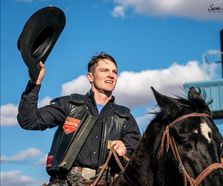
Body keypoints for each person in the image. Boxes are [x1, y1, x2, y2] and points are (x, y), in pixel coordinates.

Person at [17, 52, 141, 186]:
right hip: (65, 182)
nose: (111, 75)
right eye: (104, 70)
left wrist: (125, 152)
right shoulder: (70, 105)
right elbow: (29, 121)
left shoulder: (124, 117)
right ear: (90, 77)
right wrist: (34, 84)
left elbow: (138, 161)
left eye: (115, 72)